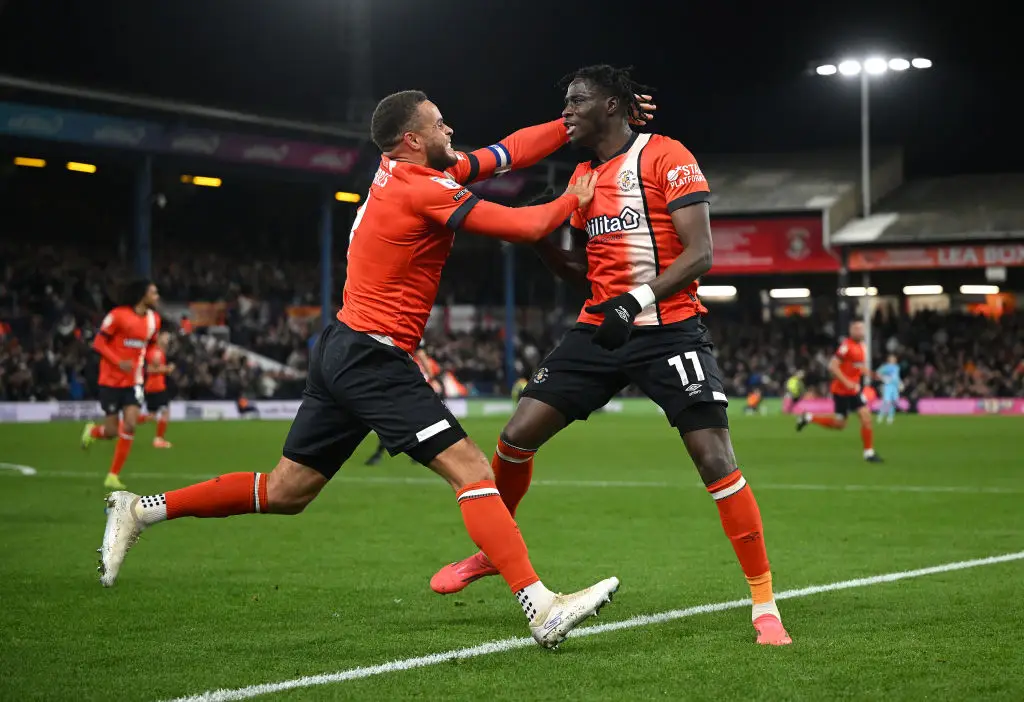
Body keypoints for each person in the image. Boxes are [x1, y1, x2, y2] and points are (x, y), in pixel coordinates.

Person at [98, 89, 644, 649]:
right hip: (372, 355)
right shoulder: (422, 187)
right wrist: (573, 199)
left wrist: (565, 125)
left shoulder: (400, 168)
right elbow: (525, 228)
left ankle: (142, 509)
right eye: (438, 122)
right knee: (474, 472)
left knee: (287, 490)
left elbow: (505, 153)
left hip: (343, 343)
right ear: (412, 139)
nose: (450, 128)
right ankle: (541, 605)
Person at [429, 65, 791, 646]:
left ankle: (764, 603)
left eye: (578, 100)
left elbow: (701, 255)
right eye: (565, 101)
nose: (566, 111)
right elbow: (581, 273)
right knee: (516, 436)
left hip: (670, 328)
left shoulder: (667, 156)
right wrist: (540, 237)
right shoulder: (581, 178)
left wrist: (639, 299)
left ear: (615, 105)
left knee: (715, 459)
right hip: (601, 328)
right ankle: (492, 553)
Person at [81, 280, 162, 489]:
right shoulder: (118, 315)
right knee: (111, 431)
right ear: (142, 294)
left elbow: (151, 345)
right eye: (153, 292)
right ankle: (93, 432)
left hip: (134, 380)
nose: (157, 296)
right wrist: (118, 362)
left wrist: (153, 356)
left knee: (130, 423)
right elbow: (99, 342)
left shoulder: (154, 320)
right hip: (109, 380)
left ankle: (112, 475)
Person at [796, 320, 884, 462]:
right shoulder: (846, 346)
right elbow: (833, 366)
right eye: (856, 329)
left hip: (853, 390)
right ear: (851, 331)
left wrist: (872, 374)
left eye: (861, 329)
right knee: (840, 424)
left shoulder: (862, 347)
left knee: (866, 418)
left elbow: (857, 367)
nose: (859, 331)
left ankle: (869, 453)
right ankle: (809, 418)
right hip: (841, 391)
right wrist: (847, 382)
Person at [137, 331, 175, 448]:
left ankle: (127, 423)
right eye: (165, 337)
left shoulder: (158, 352)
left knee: (151, 415)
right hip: (156, 387)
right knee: (165, 412)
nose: (167, 340)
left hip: (154, 387)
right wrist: (167, 369)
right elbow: (150, 370)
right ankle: (158, 439)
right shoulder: (156, 352)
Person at [876, 354, 902, 425]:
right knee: (887, 402)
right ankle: (880, 416)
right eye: (892, 359)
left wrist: (900, 383)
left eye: (894, 359)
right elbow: (878, 373)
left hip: (895, 387)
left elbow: (897, 377)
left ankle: (890, 417)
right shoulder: (886, 367)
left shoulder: (897, 367)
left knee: (894, 402)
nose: (893, 360)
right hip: (888, 386)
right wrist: (884, 379)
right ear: (889, 360)